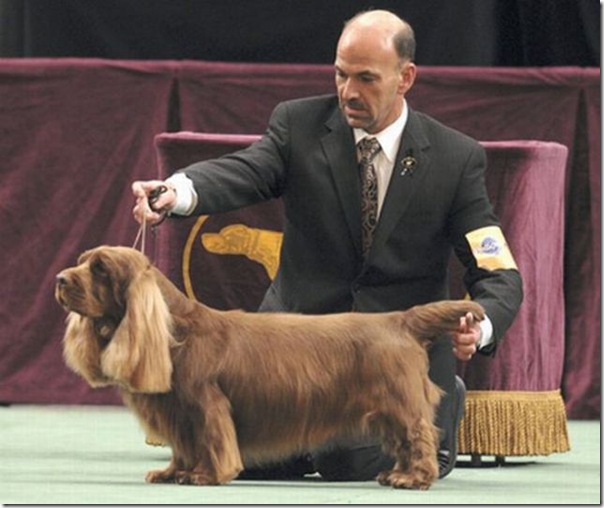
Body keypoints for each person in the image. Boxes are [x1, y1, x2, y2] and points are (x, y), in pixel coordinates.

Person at [132, 9, 523, 481]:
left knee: (344, 462)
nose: (349, 92)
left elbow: (496, 269)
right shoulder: (298, 124)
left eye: (366, 78)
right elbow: (247, 170)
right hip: (292, 357)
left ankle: (442, 398)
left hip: (386, 359)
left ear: (406, 78)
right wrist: (178, 191)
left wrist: (478, 329)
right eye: (340, 74)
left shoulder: (456, 159)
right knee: (240, 460)